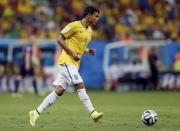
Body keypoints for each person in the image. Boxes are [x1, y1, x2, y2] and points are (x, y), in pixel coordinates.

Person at [29, 6, 103, 126]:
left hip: (74, 63)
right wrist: (71, 52)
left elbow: (80, 46)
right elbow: (59, 39)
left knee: (59, 91)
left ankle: (35, 112)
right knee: (79, 84)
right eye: (96, 16)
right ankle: (92, 112)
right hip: (66, 61)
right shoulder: (74, 25)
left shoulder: (89, 31)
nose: (97, 18)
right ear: (88, 15)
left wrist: (88, 51)